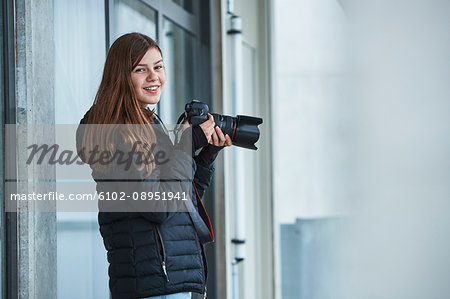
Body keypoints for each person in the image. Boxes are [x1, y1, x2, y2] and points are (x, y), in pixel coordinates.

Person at [76, 32, 231, 299]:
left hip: (167, 281)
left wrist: (205, 155)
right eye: (141, 69)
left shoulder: (149, 125)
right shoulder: (117, 132)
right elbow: (158, 207)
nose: (153, 77)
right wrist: (184, 145)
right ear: (121, 76)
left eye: (158, 67)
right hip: (154, 285)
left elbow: (180, 201)